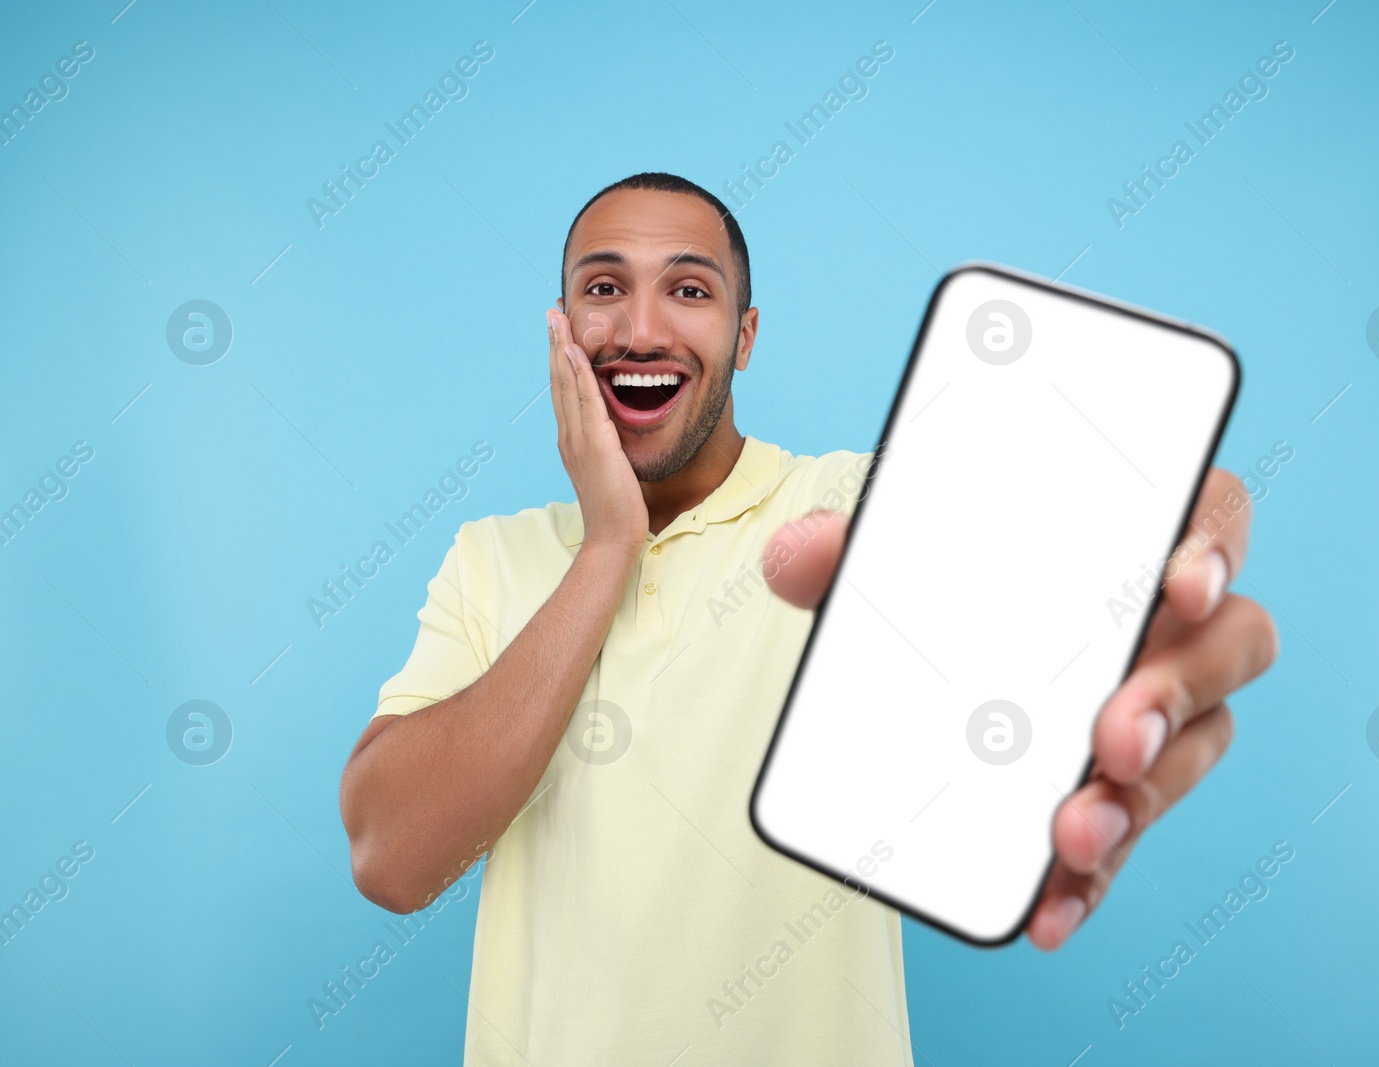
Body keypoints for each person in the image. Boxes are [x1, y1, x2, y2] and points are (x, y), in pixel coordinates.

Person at [338, 171, 1278, 1065]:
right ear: (561, 327)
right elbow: (394, 859)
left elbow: (1084, 514)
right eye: (602, 287)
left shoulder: (848, 508)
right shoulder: (487, 557)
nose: (639, 327)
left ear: (745, 336)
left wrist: (1180, 524)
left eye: (690, 291)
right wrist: (607, 544)